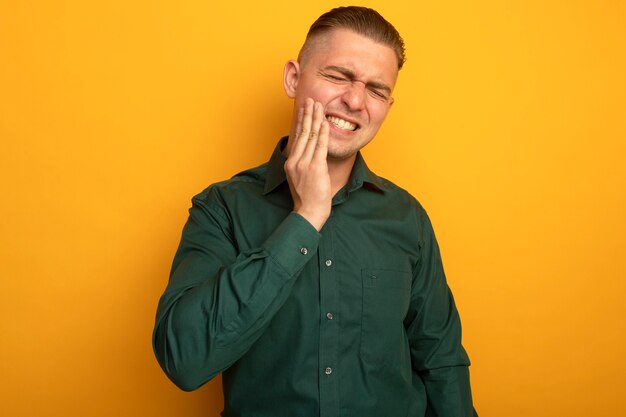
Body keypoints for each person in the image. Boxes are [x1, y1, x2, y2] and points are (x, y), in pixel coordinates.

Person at [153, 6, 477, 417]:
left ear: (387, 107)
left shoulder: (406, 216)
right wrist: (304, 220)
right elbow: (184, 359)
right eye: (338, 76)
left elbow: (441, 360)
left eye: (376, 90)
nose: (355, 100)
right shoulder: (221, 208)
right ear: (293, 78)